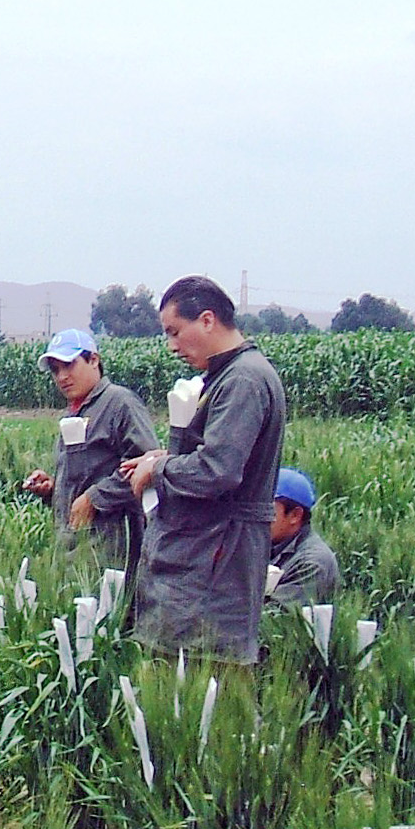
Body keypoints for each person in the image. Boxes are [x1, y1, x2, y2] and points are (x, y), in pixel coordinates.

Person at [120, 277, 287, 665]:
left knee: (209, 676)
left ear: (208, 320)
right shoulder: (228, 375)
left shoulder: (243, 379)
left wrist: (159, 469)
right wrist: (162, 457)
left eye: (175, 332)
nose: (172, 345)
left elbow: (218, 471)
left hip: (217, 559)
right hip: (205, 554)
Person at [19, 327, 157, 567]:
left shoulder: (120, 404)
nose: (61, 376)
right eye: (55, 370)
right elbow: (85, 475)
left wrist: (94, 498)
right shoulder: (74, 413)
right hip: (72, 547)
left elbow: (146, 467)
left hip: (111, 549)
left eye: (69, 365)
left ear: (94, 360)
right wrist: (53, 489)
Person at [265, 467, 338, 611]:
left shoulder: (313, 563)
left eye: (268, 508)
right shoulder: (265, 544)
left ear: (295, 515)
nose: (260, 515)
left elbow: (273, 621)